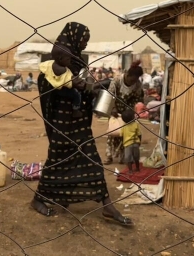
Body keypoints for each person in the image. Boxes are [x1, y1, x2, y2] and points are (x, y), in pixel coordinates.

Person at [32, 21, 132, 226]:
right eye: (83, 40)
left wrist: (92, 90)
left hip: (79, 126)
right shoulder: (52, 66)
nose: (85, 45)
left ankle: (107, 206)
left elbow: (80, 88)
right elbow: (53, 90)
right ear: (73, 39)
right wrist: (86, 88)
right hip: (62, 126)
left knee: (92, 161)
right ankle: (38, 199)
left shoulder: (76, 63)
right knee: (57, 162)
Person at [104, 61, 144, 165]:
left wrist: (130, 111)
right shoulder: (117, 81)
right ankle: (109, 156)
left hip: (127, 112)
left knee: (125, 134)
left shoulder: (137, 85)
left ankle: (122, 155)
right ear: (127, 75)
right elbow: (110, 95)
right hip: (114, 110)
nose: (133, 82)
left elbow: (137, 99)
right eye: (132, 79)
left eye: (136, 80)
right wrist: (113, 108)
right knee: (112, 132)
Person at [38, 44, 83, 118]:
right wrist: (78, 81)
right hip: (61, 88)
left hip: (51, 87)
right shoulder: (64, 70)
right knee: (76, 94)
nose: (70, 61)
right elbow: (69, 82)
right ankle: (76, 110)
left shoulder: (49, 64)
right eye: (68, 59)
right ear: (60, 59)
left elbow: (42, 67)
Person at [121, 108, 141, 173]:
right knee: (136, 157)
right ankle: (137, 168)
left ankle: (130, 170)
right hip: (136, 143)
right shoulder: (136, 124)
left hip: (127, 144)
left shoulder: (123, 126)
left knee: (128, 158)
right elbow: (139, 134)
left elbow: (121, 136)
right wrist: (139, 142)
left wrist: (122, 143)